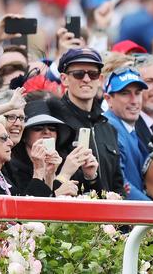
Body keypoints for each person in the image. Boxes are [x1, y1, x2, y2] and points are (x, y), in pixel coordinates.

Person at [54, 48, 125, 196]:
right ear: (64, 79)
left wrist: (118, 198)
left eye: (93, 74)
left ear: (100, 80)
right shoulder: (54, 123)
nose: (86, 79)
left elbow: (117, 184)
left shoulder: (108, 126)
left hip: (107, 214)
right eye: (79, 74)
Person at [4, 99, 83, 197]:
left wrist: (92, 177)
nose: (46, 132)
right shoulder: (12, 164)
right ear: (24, 135)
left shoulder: (65, 161)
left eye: (52, 128)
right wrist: (64, 176)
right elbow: (29, 203)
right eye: (38, 128)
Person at [103, 67, 151, 200]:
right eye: (125, 93)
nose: (134, 100)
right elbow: (120, 184)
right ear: (108, 99)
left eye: (138, 92)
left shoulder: (126, 126)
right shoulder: (109, 128)